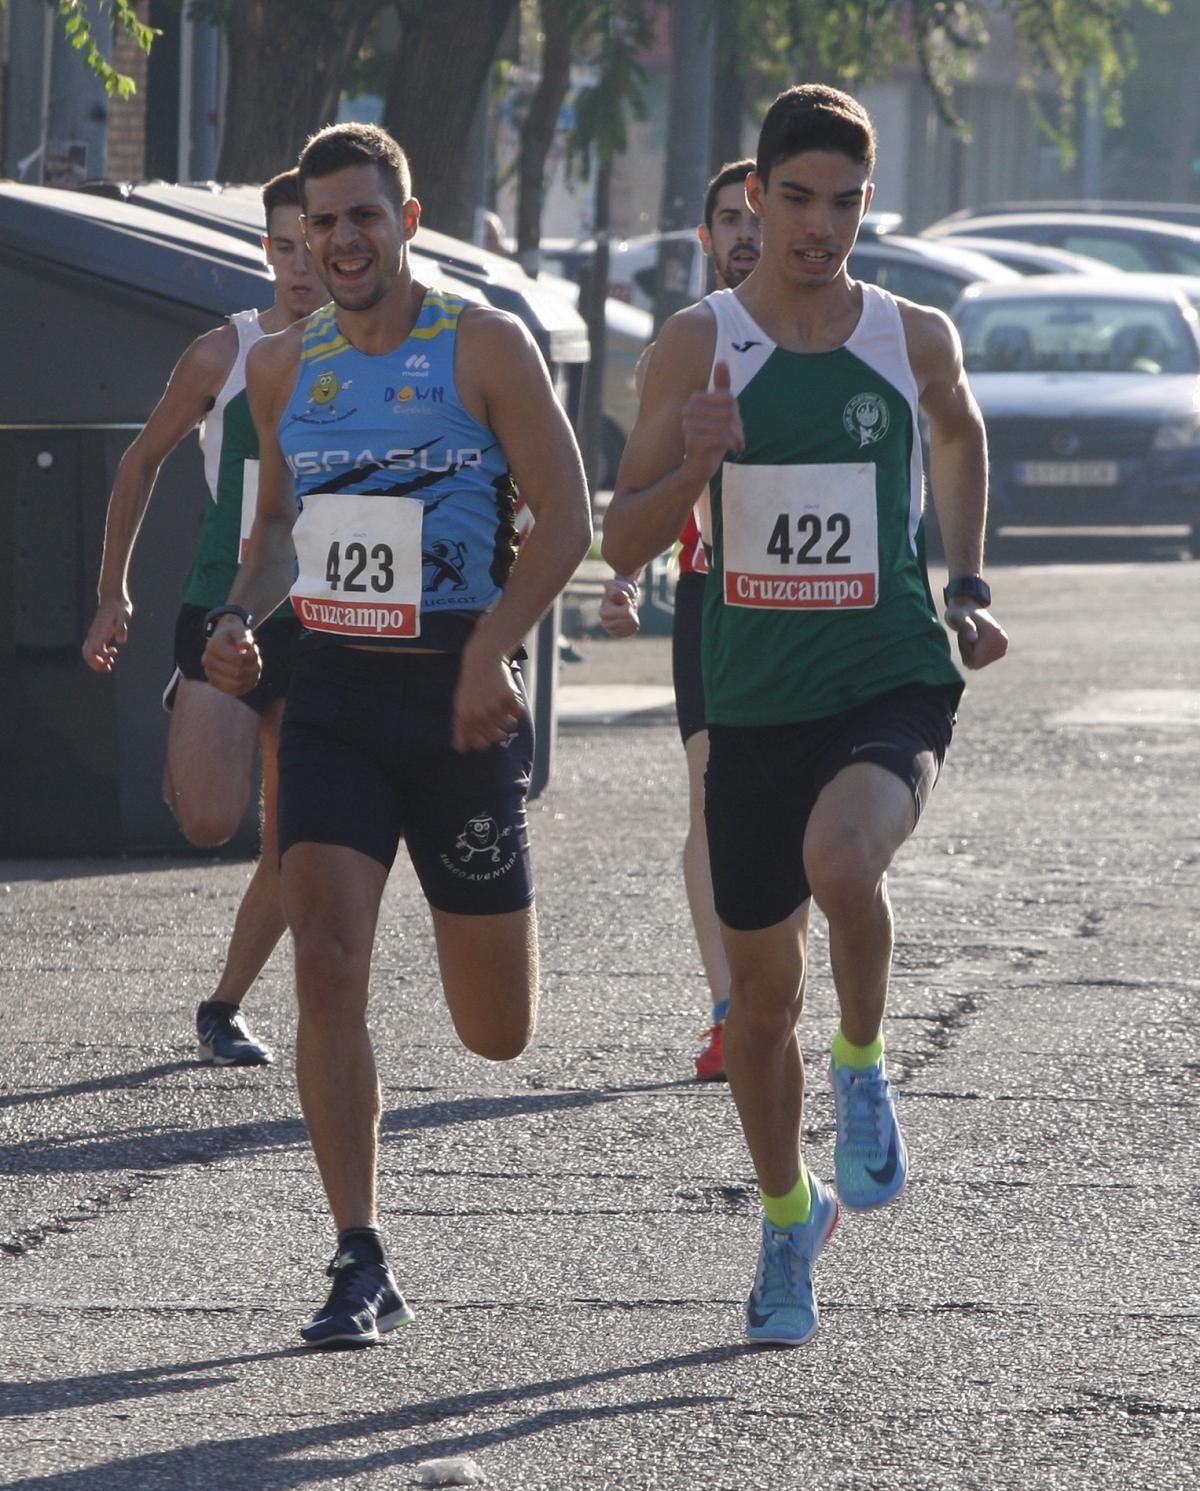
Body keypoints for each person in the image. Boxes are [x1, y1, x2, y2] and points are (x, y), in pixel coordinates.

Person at [602, 85, 1007, 1347]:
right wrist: (695, 464)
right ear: (755, 199)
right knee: (757, 1004)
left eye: (844, 203)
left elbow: (959, 435)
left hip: (889, 669)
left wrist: (969, 583)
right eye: (796, 199)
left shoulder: (911, 333)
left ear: (866, 206)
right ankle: (790, 1208)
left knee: (847, 858)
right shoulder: (697, 344)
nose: (820, 225)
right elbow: (616, 539)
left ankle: (867, 1058)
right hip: (756, 697)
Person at [202, 123, 592, 1350]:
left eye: (364, 215)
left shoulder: (483, 347)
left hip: (458, 705)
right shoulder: (283, 367)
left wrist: (495, 649)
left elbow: (570, 519)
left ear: (407, 220)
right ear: (301, 237)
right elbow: (274, 528)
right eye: (322, 221)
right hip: (331, 697)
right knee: (326, 950)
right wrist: (233, 617)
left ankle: (498, 945)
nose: (342, 239)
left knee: (498, 1029)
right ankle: (359, 1253)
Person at [81, 169, 329, 1067]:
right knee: (207, 822)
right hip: (224, 603)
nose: (301, 265)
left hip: (326, 609)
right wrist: (115, 590)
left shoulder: (374, 354)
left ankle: (223, 1005)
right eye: (283, 245)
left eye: (315, 240)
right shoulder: (224, 353)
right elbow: (140, 462)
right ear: (264, 249)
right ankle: (187, 695)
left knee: (297, 835)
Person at [600, 158, 761, 1082]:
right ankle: (732, 1010)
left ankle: (773, 988)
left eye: (755, 217)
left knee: (802, 816)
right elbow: (650, 479)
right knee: (712, 800)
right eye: (726, 221)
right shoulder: (687, 341)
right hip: (712, 594)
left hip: (816, 610)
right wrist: (627, 572)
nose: (743, 234)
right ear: (705, 240)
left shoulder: (827, 331)